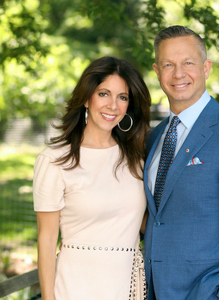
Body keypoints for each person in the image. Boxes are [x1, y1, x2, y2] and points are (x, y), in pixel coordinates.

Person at [143, 25, 219, 300]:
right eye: (168, 64)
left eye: (188, 62)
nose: (178, 73)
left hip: (209, 293)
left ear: (206, 67)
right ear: (157, 71)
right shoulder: (153, 138)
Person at [33, 56, 150, 300]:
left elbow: (144, 223)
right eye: (104, 94)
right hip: (75, 286)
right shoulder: (54, 160)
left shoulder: (137, 159)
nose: (113, 106)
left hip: (128, 286)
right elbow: (46, 239)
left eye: (122, 97)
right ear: (87, 98)